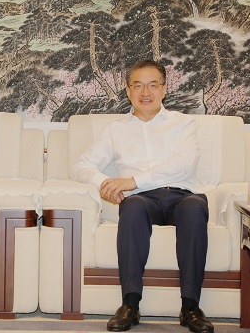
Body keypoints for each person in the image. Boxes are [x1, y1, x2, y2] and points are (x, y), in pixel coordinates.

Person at [73, 60, 214, 333]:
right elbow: (82, 166)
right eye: (137, 85)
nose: (145, 92)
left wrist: (132, 180)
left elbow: (185, 164)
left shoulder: (183, 123)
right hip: (142, 199)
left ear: (164, 89)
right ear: (128, 91)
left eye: (153, 85)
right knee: (132, 207)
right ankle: (130, 304)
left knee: (195, 208)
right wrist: (106, 183)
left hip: (182, 196)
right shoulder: (115, 129)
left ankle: (191, 307)